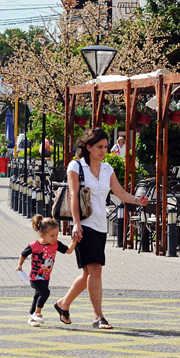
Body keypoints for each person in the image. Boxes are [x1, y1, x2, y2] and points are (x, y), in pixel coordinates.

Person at [54, 128, 148, 330]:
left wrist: (137, 200)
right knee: (96, 270)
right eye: (99, 147)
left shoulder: (107, 169)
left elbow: (120, 193)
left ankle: (63, 304)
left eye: (105, 147)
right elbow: (73, 196)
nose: (104, 150)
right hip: (84, 225)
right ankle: (98, 317)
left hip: (100, 225)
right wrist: (76, 224)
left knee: (89, 274)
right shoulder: (76, 166)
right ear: (88, 147)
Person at [17, 215, 76, 327]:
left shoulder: (55, 244)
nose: (55, 238)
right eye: (52, 235)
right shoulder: (34, 245)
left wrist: (74, 242)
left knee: (37, 295)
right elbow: (23, 254)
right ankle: (38, 313)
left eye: (57, 235)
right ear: (42, 235)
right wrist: (20, 265)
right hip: (35, 276)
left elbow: (68, 251)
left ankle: (32, 317)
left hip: (45, 276)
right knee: (45, 292)